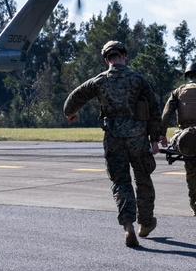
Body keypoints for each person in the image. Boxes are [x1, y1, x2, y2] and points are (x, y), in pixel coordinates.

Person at [64, 40, 162, 248]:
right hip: (137, 138)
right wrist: (154, 139)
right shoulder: (138, 80)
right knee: (143, 178)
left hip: (113, 137)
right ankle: (146, 223)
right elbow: (154, 109)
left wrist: (70, 113)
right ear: (124, 56)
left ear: (106, 59)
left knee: (121, 181)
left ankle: (128, 226)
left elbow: (74, 98)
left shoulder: (98, 81)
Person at [160, 61, 196, 221]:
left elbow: (166, 115)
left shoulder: (177, 92)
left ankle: (194, 206)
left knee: (191, 173)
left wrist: (162, 134)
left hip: (184, 140)